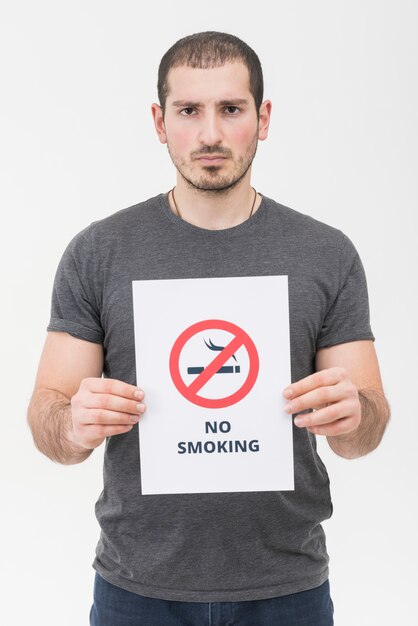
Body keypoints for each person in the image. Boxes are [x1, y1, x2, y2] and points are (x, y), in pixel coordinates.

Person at [27, 31, 390, 626]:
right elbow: (48, 421)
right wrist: (72, 421)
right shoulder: (99, 252)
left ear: (263, 117)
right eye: (189, 110)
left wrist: (354, 414)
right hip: (136, 589)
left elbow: (365, 432)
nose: (211, 134)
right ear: (159, 120)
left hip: (287, 587)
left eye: (231, 109)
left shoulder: (326, 254)